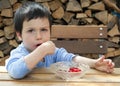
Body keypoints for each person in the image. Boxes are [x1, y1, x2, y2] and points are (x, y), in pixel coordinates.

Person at [5, 1, 114, 79]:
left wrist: (94, 63)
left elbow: (72, 59)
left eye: (43, 29)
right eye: (31, 30)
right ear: (19, 35)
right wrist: (41, 51)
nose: (38, 36)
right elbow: (15, 72)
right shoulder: (19, 53)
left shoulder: (53, 52)